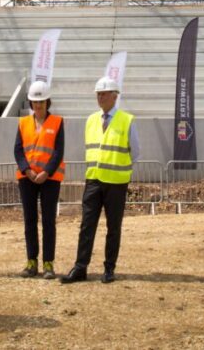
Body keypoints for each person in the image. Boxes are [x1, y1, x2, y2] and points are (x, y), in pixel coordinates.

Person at [61, 76, 139, 285]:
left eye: (104, 93)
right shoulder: (91, 120)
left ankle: (109, 269)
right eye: (98, 94)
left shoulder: (127, 120)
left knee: (113, 227)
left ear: (115, 96)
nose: (101, 97)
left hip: (116, 183)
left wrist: (119, 168)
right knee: (87, 225)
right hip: (93, 180)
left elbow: (135, 152)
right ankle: (80, 267)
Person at [14, 80, 65, 280]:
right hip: (27, 178)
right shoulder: (23, 123)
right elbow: (18, 150)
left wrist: (46, 172)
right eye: (35, 102)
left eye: (41, 101)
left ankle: (48, 263)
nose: (38, 105)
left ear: (47, 102)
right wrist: (27, 170)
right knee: (30, 220)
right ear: (30, 103)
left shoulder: (58, 122)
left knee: (48, 221)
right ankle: (31, 261)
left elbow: (59, 151)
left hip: (50, 179)